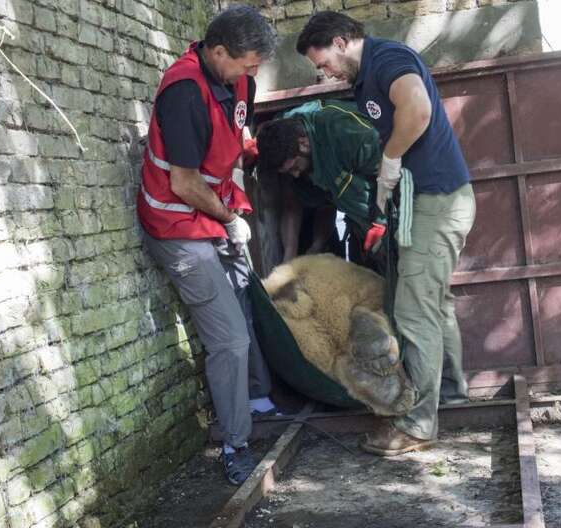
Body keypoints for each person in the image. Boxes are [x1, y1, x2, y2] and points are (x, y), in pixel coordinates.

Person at [296, 11, 477, 456]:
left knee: (413, 312)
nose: (325, 74)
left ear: (341, 42)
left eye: (323, 64)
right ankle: (450, 392)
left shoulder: (388, 60)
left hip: (437, 202)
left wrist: (391, 159)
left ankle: (416, 424)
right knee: (432, 304)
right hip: (430, 203)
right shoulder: (365, 80)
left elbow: (417, 110)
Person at [137, 5, 277, 485]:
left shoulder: (240, 84)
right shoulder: (183, 91)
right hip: (177, 225)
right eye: (248, 62)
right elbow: (182, 182)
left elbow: (237, 143)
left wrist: (235, 204)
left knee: (247, 297)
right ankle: (236, 444)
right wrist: (229, 219)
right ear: (218, 52)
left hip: (213, 214)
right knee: (230, 338)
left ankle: (258, 398)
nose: (254, 71)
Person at [255, 100, 388, 271]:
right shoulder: (288, 140)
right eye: (289, 171)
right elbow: (321, 203)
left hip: (394, 215)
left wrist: (381, 221)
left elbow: (392, 172)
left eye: (295, 167)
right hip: (360, 224)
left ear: (303, 143)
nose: (295, 174)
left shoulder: (348, 134)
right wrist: (296, 257)